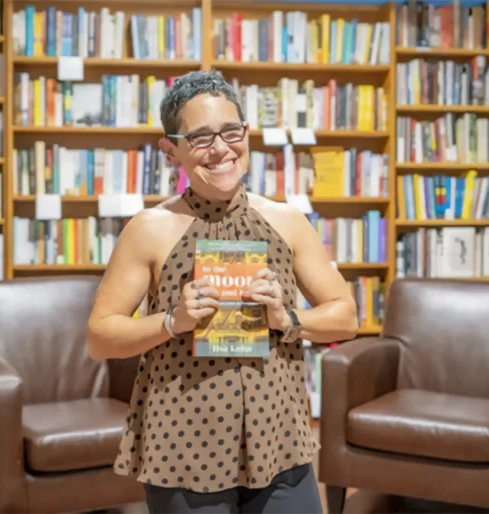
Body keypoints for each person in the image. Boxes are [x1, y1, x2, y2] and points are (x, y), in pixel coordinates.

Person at [87, 69, 360, 513]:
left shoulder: (287, 221)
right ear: (171, 150)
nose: (220, 149)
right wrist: (172, 320)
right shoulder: (149, 229)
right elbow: (100, 337)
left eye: (231, 131)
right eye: (199, 138)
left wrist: (287, 318)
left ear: (246, 133)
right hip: (184, 449)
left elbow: (345, 317)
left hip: (280, 442)